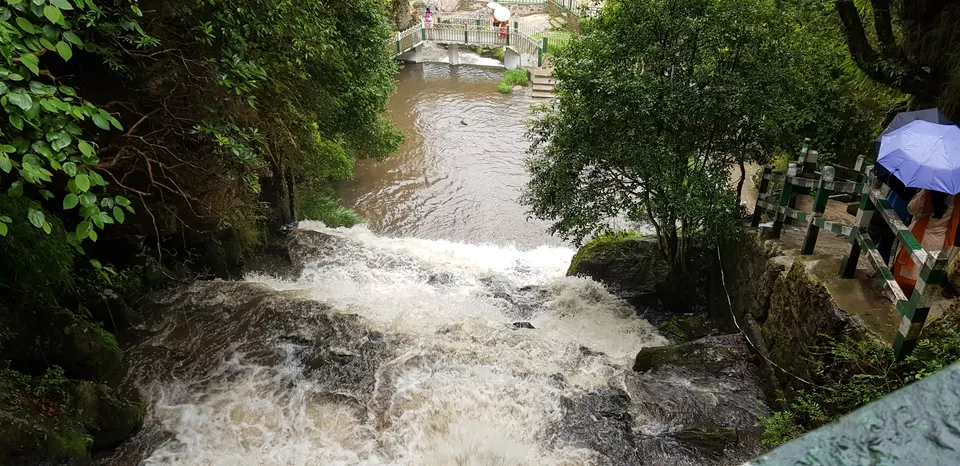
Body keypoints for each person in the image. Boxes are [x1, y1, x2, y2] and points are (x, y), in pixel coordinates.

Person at [892, 189, 960, 297]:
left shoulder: (928, 191)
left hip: (920, 235)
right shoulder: (957, 197)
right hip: (940, 239)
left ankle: (898, 295)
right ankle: (916, 299)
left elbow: (911, 209)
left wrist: (918, 193)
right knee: (926, 272)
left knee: (908, 270)